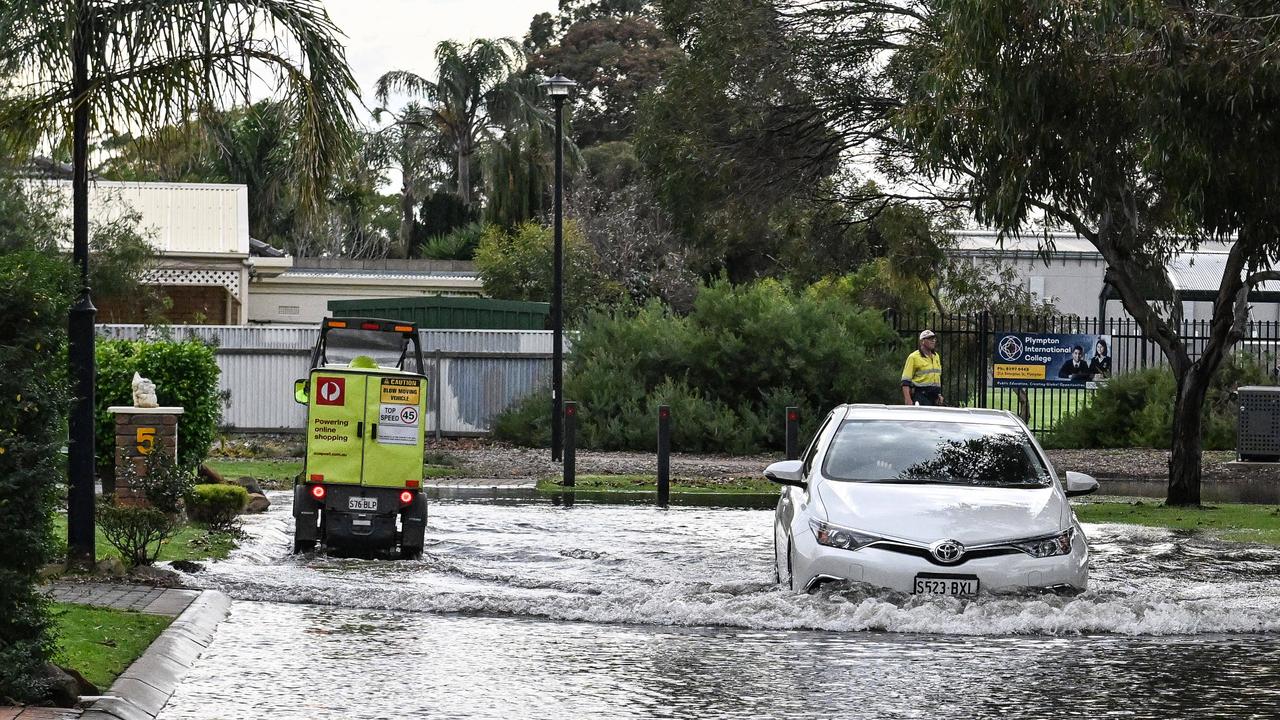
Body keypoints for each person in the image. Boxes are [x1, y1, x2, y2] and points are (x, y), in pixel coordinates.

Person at [901, 330, 944, 406]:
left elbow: (936, 377)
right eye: (930, 339)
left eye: (934, 339)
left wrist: (939, 394)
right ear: (922, 341)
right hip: (921, 396)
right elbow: (905, 382)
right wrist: (908, 400)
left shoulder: (936, 356)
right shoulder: (913, 357)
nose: (933, 341)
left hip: (934, 397)